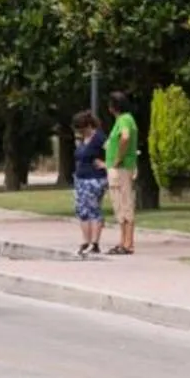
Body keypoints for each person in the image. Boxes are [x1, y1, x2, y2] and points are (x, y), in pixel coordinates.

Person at [101, 92, 139, 255]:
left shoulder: (124, 120)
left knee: (124, 203)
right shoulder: (124, 120)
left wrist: (117, 159)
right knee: (119, 204)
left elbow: (125, 137)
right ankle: (123, 240)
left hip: (121, 168)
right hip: (118, 168)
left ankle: (128, 243)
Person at [69, 111, 107, 256]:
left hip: (94, 178)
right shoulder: (82, 139)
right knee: (82, 210)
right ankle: (86, 240)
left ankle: (95, 243)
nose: (81, 132)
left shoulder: (99, 138)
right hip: (81, 178)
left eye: (82, 129)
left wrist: (106, 164)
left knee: (93, 209)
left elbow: (113, 151)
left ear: (89, 125)